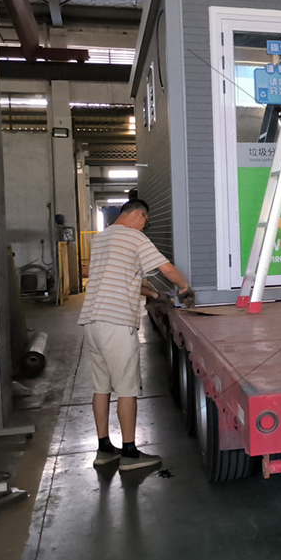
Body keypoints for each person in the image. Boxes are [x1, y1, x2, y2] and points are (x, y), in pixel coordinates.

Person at [78, 199, 195, 470]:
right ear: (139, 215)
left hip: (92, 321)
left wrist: (154, 294)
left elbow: (123, 278)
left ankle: (104, 449)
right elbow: (167, 269)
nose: (145, 228)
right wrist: (184, 288)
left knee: (101, 387)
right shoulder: (134, 237)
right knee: (127, 390)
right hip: (116, 322)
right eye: (146, 222)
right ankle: (130, 454)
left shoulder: (101, 239)